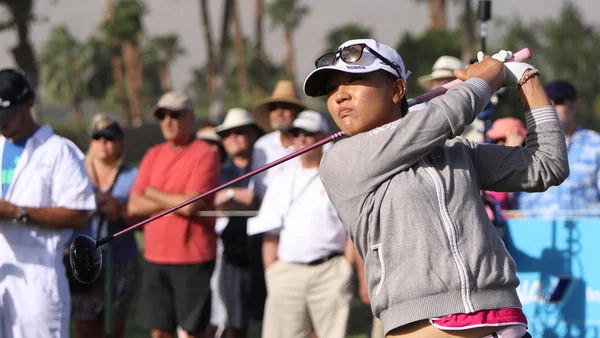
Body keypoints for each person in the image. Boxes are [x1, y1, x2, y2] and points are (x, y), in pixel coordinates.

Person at [302, 39, 569, 337]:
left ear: (397, 89)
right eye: (332, 89)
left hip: (504, 320)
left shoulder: (455, 152)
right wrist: (488, 78)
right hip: (423, 323)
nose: (339, 96)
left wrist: (525, 79)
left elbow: (547, 164)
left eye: (354, 81)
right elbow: (445, 115)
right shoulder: (341, 158)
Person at [0, 68, 96, 338]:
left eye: (7, 116)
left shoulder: (59, 151)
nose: (2, 124)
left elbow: (79, 214)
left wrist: (15, 212)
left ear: (28, 103)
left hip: (38, 277)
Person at [129, 91, 221, 338]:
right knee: (160, 331)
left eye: (174, 114)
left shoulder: (205, 153)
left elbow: (191, 205)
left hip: (193, 258)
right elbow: (134, 206)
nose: (167, 121)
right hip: (155, 256)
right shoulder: (153, 154)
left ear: (190, 117)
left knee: (193, 332)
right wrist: (174, 200)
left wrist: (153, 193)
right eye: (162, 115)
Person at [256, 110, 355, 338]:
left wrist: (345, 268)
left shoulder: (341, 175)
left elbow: (352, 227)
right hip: (286, 272)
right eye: (296, 133)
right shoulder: (279, 178)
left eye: (309, 133)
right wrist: (272, 271)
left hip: (330, 271)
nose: (301, 138)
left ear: (324, 137)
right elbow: (270, 231)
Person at [70, 114, 140, 338]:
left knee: (113, 328)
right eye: (97, 137)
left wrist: (118, 207)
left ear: (120, 142)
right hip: (82, 259)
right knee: (84, 325)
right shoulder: (75, 173)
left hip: (120, 259)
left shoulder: (132, 176)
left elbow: (140, 218)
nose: (103, 143)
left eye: (109, 138)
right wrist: (95, 202)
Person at [206, 108, 263, 338]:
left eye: (239, 132)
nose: (232, 138)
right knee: (234, 322)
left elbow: (258, 201)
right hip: (230, 251)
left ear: (252, 135)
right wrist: (238, 196)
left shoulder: (265, 166)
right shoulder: (218, 171)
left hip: (264, 248)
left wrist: (229, 196)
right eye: (227, 134)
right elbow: (214, 203)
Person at [517, 80, 600, 213]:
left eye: (559, 101)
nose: (552, 106)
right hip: (530, 229)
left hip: (584, 230)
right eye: (547, 102)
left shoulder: (596, 145)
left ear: (575, 106)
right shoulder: (524, 143)